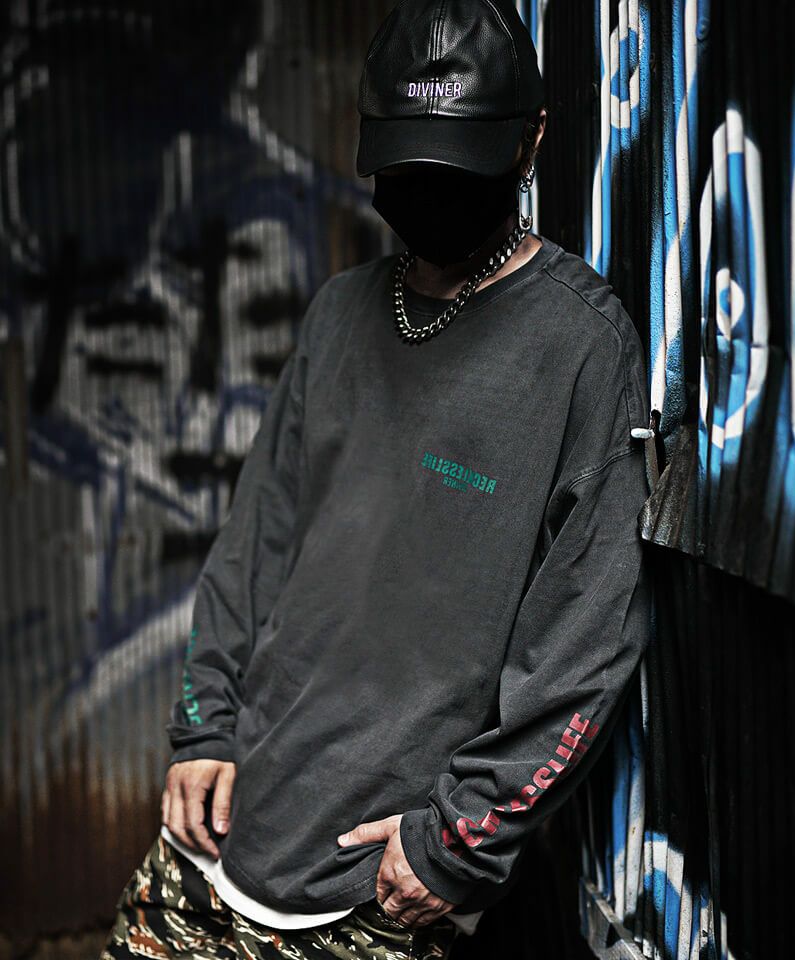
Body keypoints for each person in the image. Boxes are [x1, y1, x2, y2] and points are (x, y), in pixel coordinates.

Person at [100, 1, 654, 958]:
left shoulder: (581, 347)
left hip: (377, 889)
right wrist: (203, 730)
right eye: (408, 165)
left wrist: (460, 839)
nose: (430, 190)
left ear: (531, 140)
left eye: (455, 163)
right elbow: (253, 546)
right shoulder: (338, 314)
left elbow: (587, 637)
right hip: (220, 835)